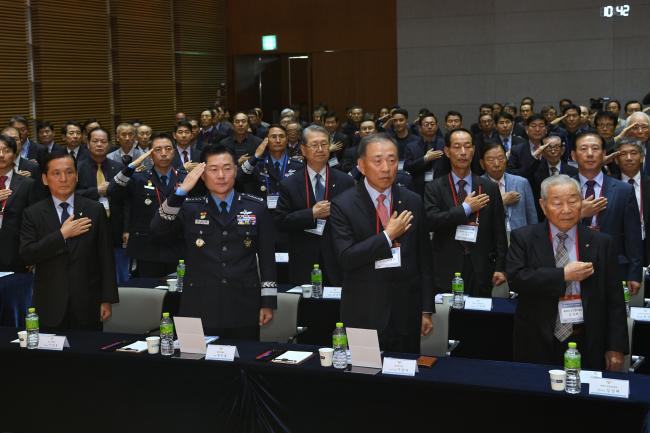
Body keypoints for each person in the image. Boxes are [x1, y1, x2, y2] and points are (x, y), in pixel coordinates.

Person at [150, 144, 276, 340]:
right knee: (194, 364)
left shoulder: (256, 207)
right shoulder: (189, 208)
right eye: (213, 169)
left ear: (235, 170)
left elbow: (268, 258)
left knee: (243, 363)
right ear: (202, 174)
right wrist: (181, 191)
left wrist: (268, 301)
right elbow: (157, 229)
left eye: (227, 168)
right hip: (196, 303)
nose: (221, 175)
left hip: (243, 303)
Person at [506, 175, 628, 371]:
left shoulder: (602, 242)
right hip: (537, 339)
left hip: (587, 339)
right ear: (543, 205)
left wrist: (616, 347)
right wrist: (562, 275)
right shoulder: (524, 238)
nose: (566, 209)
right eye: (557, 203)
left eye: (573, 201)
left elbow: (615, 299)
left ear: (581, 202)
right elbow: (516, 280)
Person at [329, 133, 433, 353]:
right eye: (378, 161)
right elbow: (346, 257)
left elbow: (425, 259)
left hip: (406, 312)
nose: (386, 167)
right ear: (362, 165)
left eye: (392, 160)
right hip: (363, 312)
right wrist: (387, 236)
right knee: (365, 378)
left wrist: (426, 309)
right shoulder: (342, 205)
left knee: (405, 377)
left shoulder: (412, 200)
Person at [19, 151, 118, 330]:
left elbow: (106, 257)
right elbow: (27, 255)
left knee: (89, 355)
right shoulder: (32, 213)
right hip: (50, 303)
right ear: (44, 178)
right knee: (52, 358)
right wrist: (61, 235)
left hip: (89, 301)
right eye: (56, 173)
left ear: (77, 176)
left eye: (69, 172)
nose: (63, 178)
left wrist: (107, 299)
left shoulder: (94, 210)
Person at [424, 128, 507, 297]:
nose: (463, 152)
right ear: (447, 151)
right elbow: (431, 221)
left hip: (481, 268)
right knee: (449, 321)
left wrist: (501, 267)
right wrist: (465, 209)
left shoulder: (488, 187)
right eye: (457, 147)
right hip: (446, 267)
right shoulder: (434, 187)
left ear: (474, 150)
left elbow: (499, 231)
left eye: (467, 146)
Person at [275, 125, 355, 286]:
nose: (320, 149)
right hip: (304, 259)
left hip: (338, 257)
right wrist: (310, 214)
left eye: (324, 144)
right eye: (314, 145)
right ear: (303, 150)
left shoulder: (345, 181)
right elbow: (280, 221)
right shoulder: (289, 184)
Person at [572, 132, 642, 295]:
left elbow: (633, 235)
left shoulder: (624, 190)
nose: (590, 154)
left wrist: (635, 273)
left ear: (604, 154)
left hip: (615, 266)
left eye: (595, 148)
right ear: (573, 156)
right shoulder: (562, 186)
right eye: (584, 149)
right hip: (573, 264)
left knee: (615, 316)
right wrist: (579, 214)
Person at [111, 132, 186, 277]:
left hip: (177, 246)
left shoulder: (185, 178)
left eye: (168, 149)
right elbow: (112, 191)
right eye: (158, 150)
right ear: (150, 154)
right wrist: (131, 166)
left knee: (178, 295)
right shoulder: (139, 178)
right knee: (149, 295)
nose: (164, 153)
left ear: (174, 151)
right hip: (147, 248)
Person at [76, 128, 129, 284]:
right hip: (87, 227)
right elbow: (72, 195)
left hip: (115, 227)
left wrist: (127, 228)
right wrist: (96, 191)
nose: (99, 144)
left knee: (119, 275)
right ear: (87, 144)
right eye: (95, 141)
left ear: (109, 145)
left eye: (103, 141)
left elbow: (126, 200)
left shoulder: (118, 167)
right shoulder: (78, 168)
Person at [480, 141, 537, 235]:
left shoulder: (521, 182)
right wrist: (501, 202)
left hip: (520, 238)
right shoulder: (478, 185)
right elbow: (479, 218)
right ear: (482, 163)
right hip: (491, 239)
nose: (497, 164)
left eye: (501, 158)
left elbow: (532, 217)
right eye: (490, 160)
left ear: (507, 159)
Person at [238, 125, 303, 206]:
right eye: (273, 137)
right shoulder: (258, 165)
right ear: (266, 140)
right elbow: (239, 178)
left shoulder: (298, 166)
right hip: (264, 213)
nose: (278, 140)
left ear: (287, 140)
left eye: (281, 136)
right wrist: (256, 156)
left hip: (290, 213)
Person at [0, 135, 36, 273]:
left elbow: (33, 221)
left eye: (6, 150)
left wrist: (31, 253)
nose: (1, 155)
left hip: (16, 253)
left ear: (15, 154)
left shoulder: (27, 184)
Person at [615, 139, 650, 262]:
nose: (629, 158)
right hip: (618, 248)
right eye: (623, 154)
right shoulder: (608, 186)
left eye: (634, 153)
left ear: (641, 158)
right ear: (616, 159)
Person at [404, 112, 448, 196]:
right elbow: (407, 167)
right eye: (426, 124)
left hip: (441, 188)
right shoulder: (411, 146)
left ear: (437, 126)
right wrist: (425, 159)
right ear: (420, 128)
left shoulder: (445, 145)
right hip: (418, 189)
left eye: (432, 124)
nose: (429, 126)